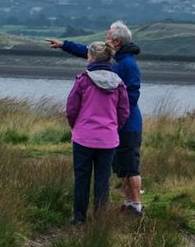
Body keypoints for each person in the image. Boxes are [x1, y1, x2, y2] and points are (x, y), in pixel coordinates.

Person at [48, 22, 144, 215]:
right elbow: (90, 51)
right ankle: (125, 205)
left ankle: (136, 205)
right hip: (110, 128)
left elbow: (131, 98)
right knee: (118, 169)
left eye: (108, 36)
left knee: (130, 167)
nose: (105, 39)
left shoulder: (127, 64)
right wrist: (64, 45)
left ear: (116, 41)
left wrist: (114, 117)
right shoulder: (112, 59)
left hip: (125, 126)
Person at [64, 40, 131, 223]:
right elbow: (124, 111)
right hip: (108, 139)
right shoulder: (118, 84)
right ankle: (100, 219)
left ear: (91, 57)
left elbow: (71, 109)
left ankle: (79, 218)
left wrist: (76, 127)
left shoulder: (84, 80)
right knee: (103, 179)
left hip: (83, 137)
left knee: (82, 178)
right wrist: (114, 128)